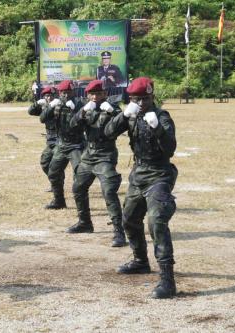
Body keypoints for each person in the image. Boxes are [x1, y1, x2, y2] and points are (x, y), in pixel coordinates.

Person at [105, 77, 178, 299]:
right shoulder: (131, 115)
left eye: (144, 99)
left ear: (151, 97)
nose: (140, 103)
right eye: (135, 99)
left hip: (159, 174)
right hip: (139, 173)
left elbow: (170, 149)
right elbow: (107, 133)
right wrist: (123, 115)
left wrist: (157, 128)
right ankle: (140, 261)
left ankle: (168, 280)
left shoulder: (162, 117)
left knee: (156, 221)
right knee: (128, 219)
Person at [67, 80, 127, 247]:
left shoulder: (112, 108)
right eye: (92, 94)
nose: (95, 97)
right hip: (89, 154)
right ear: (87, 96)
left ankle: (119, 231)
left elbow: (122, 126)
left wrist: (113, 113)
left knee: (109, 191)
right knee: (78, 188)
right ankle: (85, 222)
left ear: (105, 94)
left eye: (99, 94)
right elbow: (72, 127)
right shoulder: (86, 108)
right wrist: (82, 113)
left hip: (105, 154)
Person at [40, 80, 85, 209]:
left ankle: (81, 206)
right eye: (63, 92)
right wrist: (51, 106)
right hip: (61, 144)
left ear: (73, 91)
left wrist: (75, 110)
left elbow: (80, 123)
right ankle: (59, 201)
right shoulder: (57, 105)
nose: (65, 95)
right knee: (53, 173)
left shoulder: (80, 104)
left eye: (68, 92)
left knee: (79, 174)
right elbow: (42, 118)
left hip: (76, 145)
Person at [28, 86, 58, 186]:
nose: (48, 98)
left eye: (50, 96)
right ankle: (55, 182)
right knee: (45, 162)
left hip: (60, 140)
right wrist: (37, 104)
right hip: (50, 141)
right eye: (46, 96)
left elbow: (42, 119)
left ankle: (57, 184)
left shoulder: (59, 106)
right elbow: (31, 112)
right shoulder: (45, 107)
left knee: (56, 165)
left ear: (55, 96)